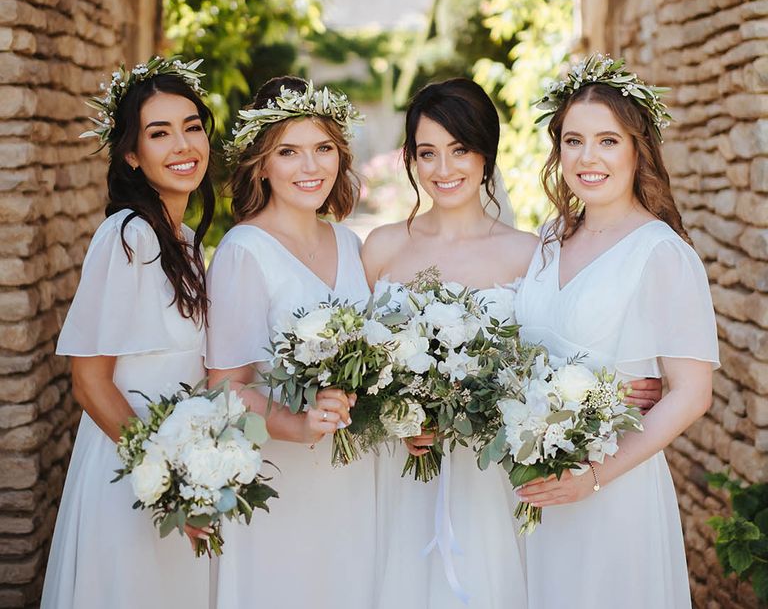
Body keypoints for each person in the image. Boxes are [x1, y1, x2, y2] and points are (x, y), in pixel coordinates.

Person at [515, 54, 718, 609]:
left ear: (636, 148)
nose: (588, 157)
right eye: (573, 140)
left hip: (612, 488)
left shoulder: (662, 253)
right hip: (533, 485)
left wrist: (593, 477)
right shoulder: (550, 237)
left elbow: (693, 393)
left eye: (607, 140)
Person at [41, 57, 215, 609]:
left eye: (192, 127)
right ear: (132, 156)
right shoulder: (127, 236)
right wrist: (167, 481)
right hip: (133, 467)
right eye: (159, 133)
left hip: (182, 462)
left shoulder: (186, 241)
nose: (183, 145)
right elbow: (91, 383)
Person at [205, 77, 376, 609]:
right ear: (261, 163)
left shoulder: (350, 244)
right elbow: (226, 389)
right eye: (289, 152)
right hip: (284, 476)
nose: (311, 167)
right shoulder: (243, 251)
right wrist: (298, 425)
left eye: (323, 148)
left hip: (355, 478)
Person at [362, 78, 533, 608]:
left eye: (460, 150)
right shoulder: (383, 247)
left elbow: (544, 367)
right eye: (427, 153)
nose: (444, 169)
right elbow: (353, 368)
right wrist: (394, 419)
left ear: (487, 153)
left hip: (491, 479)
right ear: (411, 159)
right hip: (401, 472)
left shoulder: (527, 254)